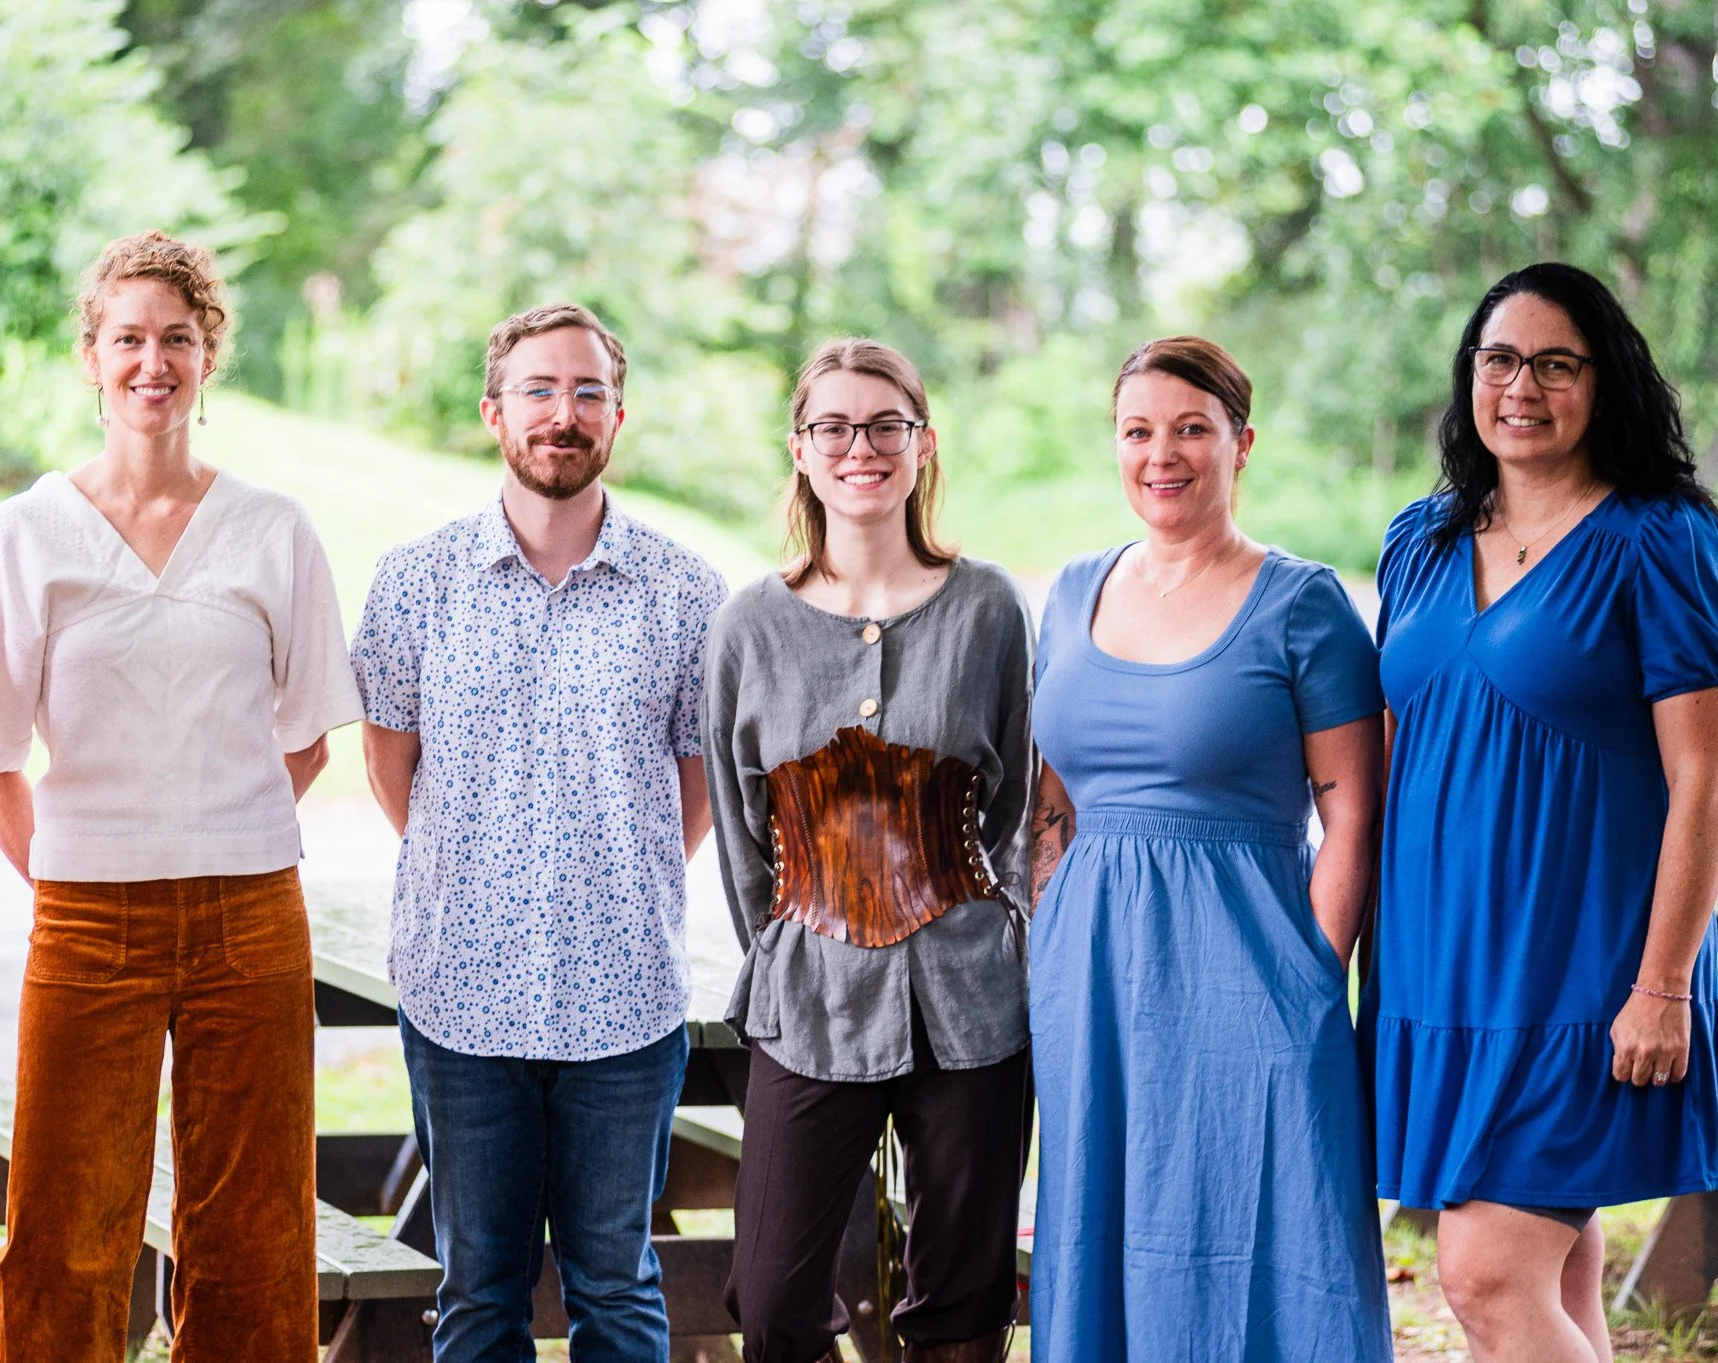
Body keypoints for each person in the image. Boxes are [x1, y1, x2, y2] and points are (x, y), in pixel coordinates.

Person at [0, 230, 362, 1362]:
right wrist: (69, 868)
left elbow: (304, 741)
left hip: (251, 909)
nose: (153, 362)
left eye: (176, 339)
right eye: (128, 339)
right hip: (88, 910)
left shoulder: (273, 529)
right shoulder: (27, 532)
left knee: (253, 1220)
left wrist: (213, 818)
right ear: (90, 356)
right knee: (66, 1218)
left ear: (209, 356)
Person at [352, 301, 727, 1361]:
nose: (562, 413)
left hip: (624, 1002)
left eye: (586, 391)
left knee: (617, 1283)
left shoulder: (686, 593)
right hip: (458, 993)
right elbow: (393, 770)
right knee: (477, 1291)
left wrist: (611, 877)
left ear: (617, 415)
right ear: (492, 412)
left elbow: (690, 791)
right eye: (538, 390)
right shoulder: (415, 583)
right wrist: (473, 870)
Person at [1365, 262, 1718, 1363]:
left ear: (1601, 384)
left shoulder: (1657, 539)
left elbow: (1703, 775)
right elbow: (1385, 752)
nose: (1521, 385)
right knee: (1552, 1283)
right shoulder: (1416, 541)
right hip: (1433, 975)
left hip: (1583, 972)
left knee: (1482, 1276)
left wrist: (1661, 986)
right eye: (1499, 359)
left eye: (1555, 363)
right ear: (1469, 376)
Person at [1025, 337, 1392, 1360]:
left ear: (1240, 442)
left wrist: (1310, 973)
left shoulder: (1302, 603)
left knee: (1263, 1224)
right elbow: (1049, 796)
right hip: (1091, 974)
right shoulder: (1068, 593)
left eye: (1191, 428)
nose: (1161, 454)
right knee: (1101, 1219)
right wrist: (1049, 933)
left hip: (1253, 971)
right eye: (1137, 430)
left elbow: (1351, 813)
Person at [703, 338, 1034, 1363]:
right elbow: (738, 828)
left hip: (969, 1001)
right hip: (807, 993)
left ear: (921, 444)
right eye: (834, 427)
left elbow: (1015, 806)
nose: (861, 447)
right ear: (799, 450)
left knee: (965, 1293)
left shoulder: (987, 608)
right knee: (770, 1297)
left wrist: (1001, 931)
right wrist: (784, 945)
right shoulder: (747, 624)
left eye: (884, 425)